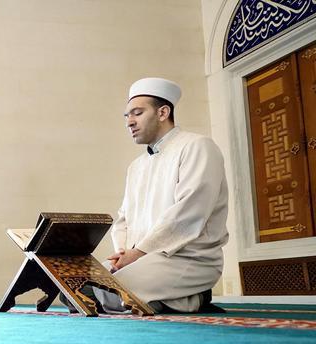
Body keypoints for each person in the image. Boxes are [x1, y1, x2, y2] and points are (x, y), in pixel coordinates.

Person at [98, 77, 229, 313]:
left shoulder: (197, 146)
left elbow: (189, 212)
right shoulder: (136, 166)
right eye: (127, 116)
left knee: (111, 291)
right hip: (139, 258)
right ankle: (176, 298)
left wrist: (138, 253)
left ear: (163, 113)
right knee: (80, 284)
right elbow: (123, 219)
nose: (129, 122)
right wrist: (123, 253)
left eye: (137, 113)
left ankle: (196, 295)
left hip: (187, 258)